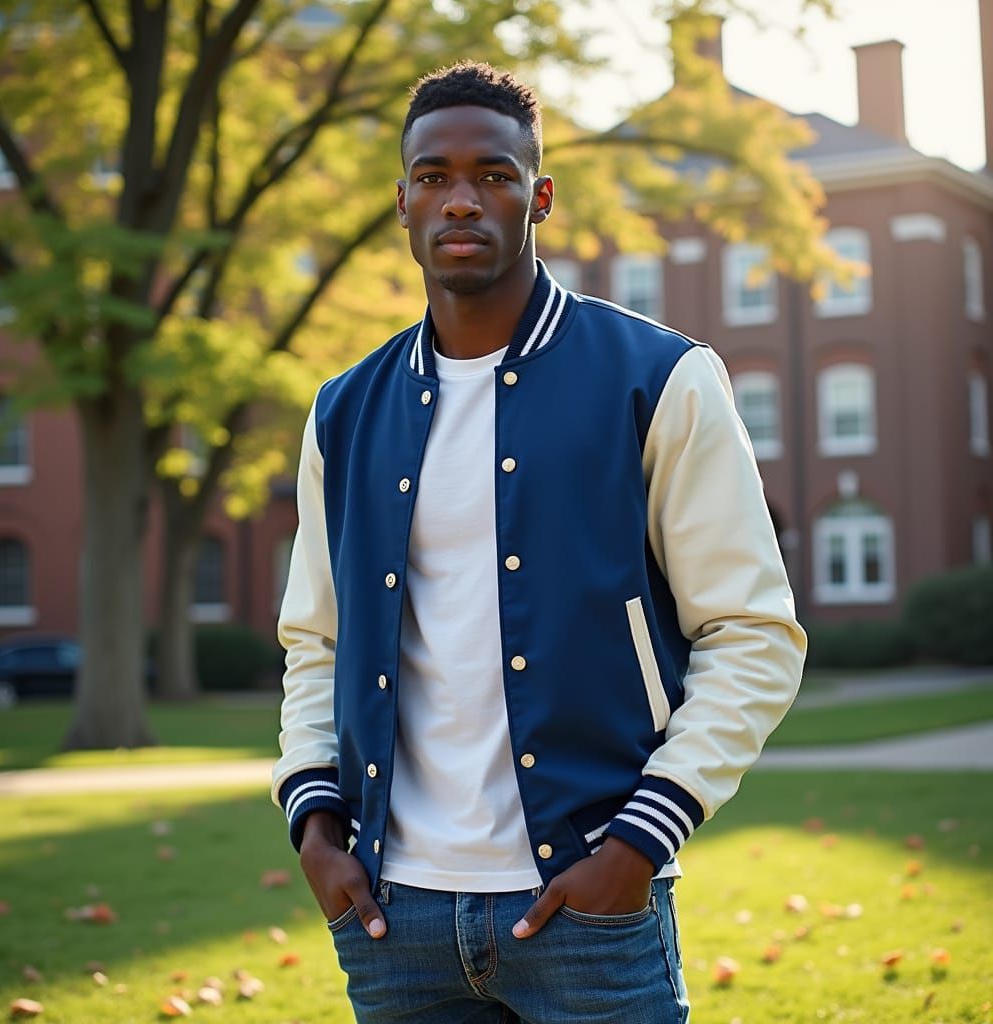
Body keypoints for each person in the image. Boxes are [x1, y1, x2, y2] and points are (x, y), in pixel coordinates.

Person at [272, 61, 807, 1024]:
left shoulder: (663, 378)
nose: (461, 199)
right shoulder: (344, 411)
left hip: (590, 911)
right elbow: (315, 641)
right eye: (433, 177)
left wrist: (640, 843)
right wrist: (315, 826)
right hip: (394, 922)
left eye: (494, 174)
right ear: (401, 202)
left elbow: (753, 633)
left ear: (540, 196)